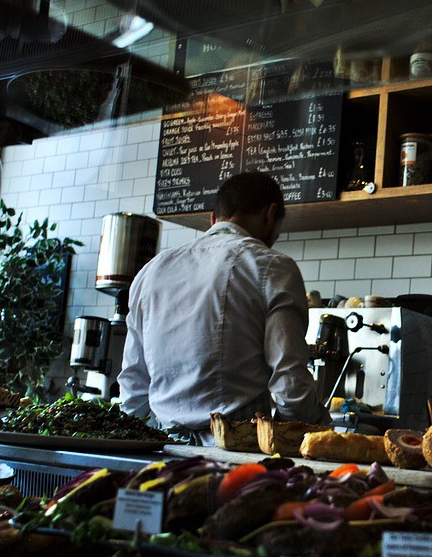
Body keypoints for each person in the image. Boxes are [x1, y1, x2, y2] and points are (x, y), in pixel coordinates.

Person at [118, 170, 329, 444]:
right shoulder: (273, 267)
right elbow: (289, 381)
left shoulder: (152, 271)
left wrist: (133, 444)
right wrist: (309, 433)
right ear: (270, 214)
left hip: (164, 449)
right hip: (238, 454)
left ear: (213, 218)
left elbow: (134, 380)